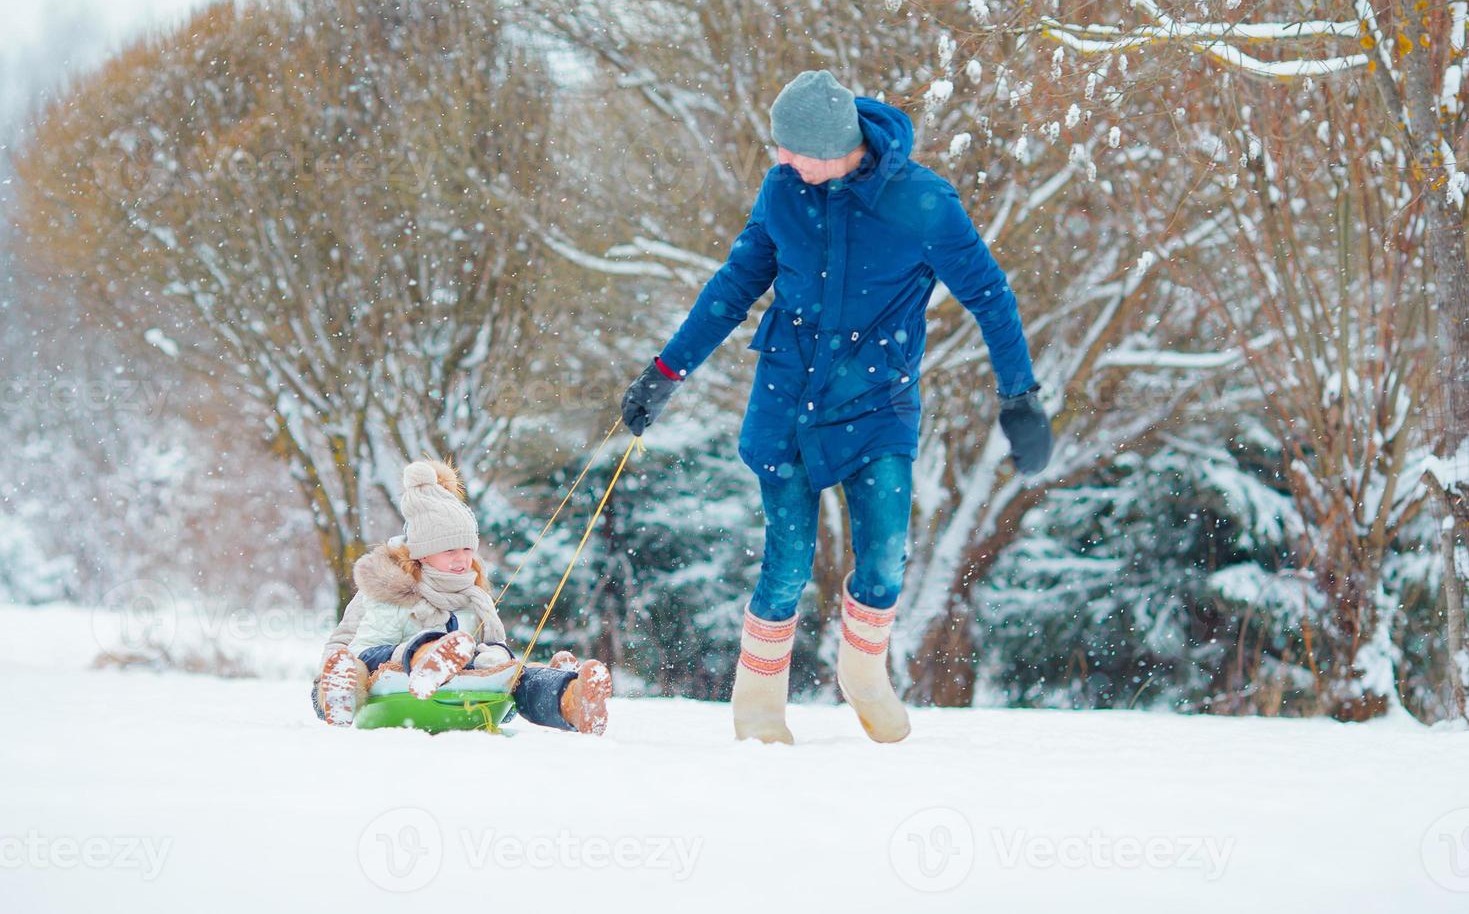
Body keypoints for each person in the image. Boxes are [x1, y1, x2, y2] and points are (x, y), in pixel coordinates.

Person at [621, 70, 1053, 744]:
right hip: (787, 397)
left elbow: (991, 296)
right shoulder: (783, 192)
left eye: (793, 149)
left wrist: (1019, 396)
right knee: (787, 560)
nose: (781, 160)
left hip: (877, 402)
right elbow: (735, 283)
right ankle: (759, 704)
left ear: (833, 147)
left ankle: (863, 673)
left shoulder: (925, 203)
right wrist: (666, 371)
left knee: (884, 560)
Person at [312, 459, 611, 735]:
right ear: (423, 554)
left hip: (461, 678)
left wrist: (498, 659)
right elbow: (358, 646)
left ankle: (570, 699)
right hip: (377, 671)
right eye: (450, 551)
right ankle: (409, 665)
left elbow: (487, 654)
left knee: (517, 675)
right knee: (368, 663)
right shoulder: (390, 588)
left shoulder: (471, 595)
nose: (462, 560)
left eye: (468, 550)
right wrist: (335, 675)